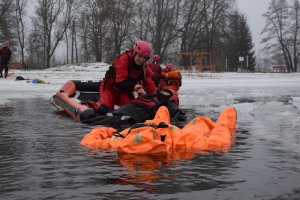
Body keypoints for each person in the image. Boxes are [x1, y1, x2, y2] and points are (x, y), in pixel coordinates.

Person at [89, 40, 156, 115]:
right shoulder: (123, 59)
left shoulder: (144, 67)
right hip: (110, 88)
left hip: (125, 92)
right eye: (139, 56)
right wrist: (135, 87)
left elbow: (149, 84)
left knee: (130, 111)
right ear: (134, 53)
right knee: (103, 110)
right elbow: (121, 82)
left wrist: (154, 98)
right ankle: (93, 105)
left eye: (144, 58)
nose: (141, 60)